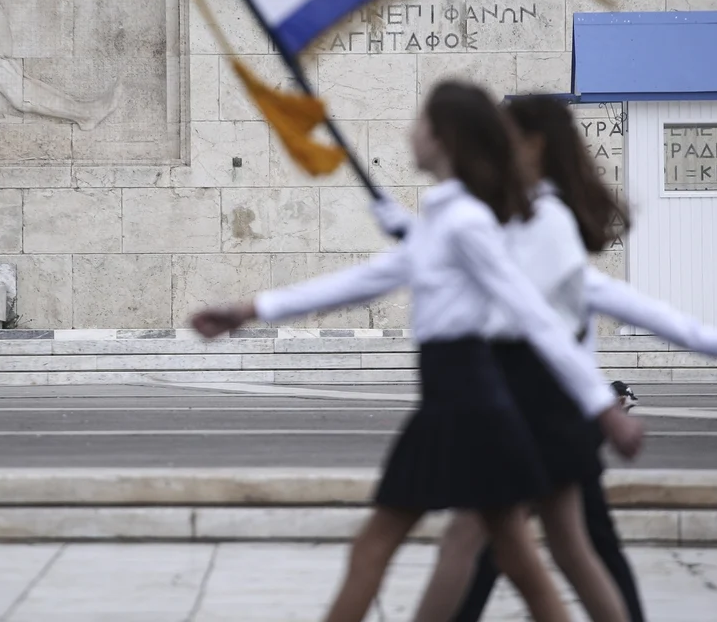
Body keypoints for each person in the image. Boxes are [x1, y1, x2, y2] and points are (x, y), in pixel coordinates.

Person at [192, 80, 642, 622]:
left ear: (444, 138)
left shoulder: (467, 222)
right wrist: (250, 310)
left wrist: (601, 406)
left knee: (392, 550)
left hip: (468, 403)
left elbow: (535, 318)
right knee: (517, 560)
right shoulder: (448, 217)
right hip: (456, 400)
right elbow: (368, 278)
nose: (411, 134)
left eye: (420, 124)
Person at [373, 94, 717, 622]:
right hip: (541, 400)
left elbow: (531, 291)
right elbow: (477, 259)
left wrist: (698, 339)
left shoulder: (544, 218)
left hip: (539, 403)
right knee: (553, 544)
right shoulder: (523, 212)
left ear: (534, 144)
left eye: (507, 135)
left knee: (487, 539)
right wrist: (414, 231)